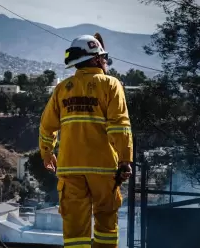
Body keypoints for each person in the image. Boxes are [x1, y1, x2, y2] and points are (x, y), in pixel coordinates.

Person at [39, 33, 133, 248]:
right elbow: (120, 126)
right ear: (96, 59)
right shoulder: (111, 84)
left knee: (74, 229)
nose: (106, 61)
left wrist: (46, 152)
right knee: (106, 224)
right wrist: (125, 160)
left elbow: (47, 126)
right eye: (104, 57)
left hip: (70, 169)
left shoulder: (62, 89)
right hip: (104, 168)